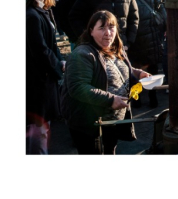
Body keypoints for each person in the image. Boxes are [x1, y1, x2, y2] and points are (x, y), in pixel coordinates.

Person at [62, 10, 152, 154]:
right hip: (90, 122)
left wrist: (138, 73)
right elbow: (78, 87)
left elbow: (120, 68)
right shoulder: (82, 54)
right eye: (102, 28)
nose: (108, 33)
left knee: (110, 152)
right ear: (91, 31)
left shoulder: (116, 49)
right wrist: (110, 100)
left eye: (111, 27)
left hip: (111, 120)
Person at [26, 0, 65, 154]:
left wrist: (60, 60)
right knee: (38, 127)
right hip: (38, 77)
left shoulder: (45, 10)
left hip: (47, 75)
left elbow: (52, 43)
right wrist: (57, 65)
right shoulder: (31, 15)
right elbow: (40, 48)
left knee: (45, 124)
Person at [121, 0, 166, 108]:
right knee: (134, 69)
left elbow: (159, 7)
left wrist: (165, 25)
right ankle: (136, 98)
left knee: (152, 68)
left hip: (152, 33)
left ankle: (153, 97)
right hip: (135, 37)